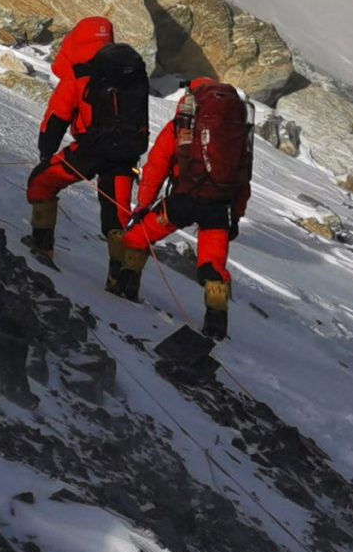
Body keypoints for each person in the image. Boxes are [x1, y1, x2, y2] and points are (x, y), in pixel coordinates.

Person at [112, 79, 252, 340]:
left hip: (182, 201)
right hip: (218, 207)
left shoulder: (184, 124)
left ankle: (125, 287)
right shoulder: (237, 134)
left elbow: (156, 166)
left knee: (138, 239)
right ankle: (216, 326)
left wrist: (143, 205)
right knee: (214, 267)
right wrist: (236, 216)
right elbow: (243, 180)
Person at [23, 17, 149, 283]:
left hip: (89, 152)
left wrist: (46, 153)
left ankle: (41, 245)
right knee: (117, 217)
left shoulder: (81, 72)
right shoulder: (129, 70)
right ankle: (122, 282)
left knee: (42, 182)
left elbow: (56, 118)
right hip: (125, 156)